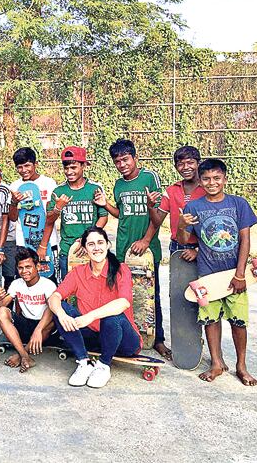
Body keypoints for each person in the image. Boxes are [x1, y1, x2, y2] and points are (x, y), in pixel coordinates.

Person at [177, 158, 257, 386]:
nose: (212, 183)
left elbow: (245, 240)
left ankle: (241, 366)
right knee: (210, 319)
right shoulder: (194, 207)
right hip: (207, 275)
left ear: (225, 179)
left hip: (234, 275)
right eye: (206, 179)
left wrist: (240, 274)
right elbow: (183, 240)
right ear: (200, 181)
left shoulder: (238, 204)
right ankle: (216, 363)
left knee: (238, 321)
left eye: (216, 178)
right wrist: (182, 225)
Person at [93, 138, 170, 359]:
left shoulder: (149, 177)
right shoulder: (118, 185)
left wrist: (146, 240)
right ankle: (131, 336)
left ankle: (158, 339)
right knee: (124, 295)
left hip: (147, 250)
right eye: (117, 161)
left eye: (125, 159)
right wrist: (105, 205)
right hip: (123, 248)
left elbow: (158, 215)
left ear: (135, 157)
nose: (122, 165)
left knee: (151, 295)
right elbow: (122, 214)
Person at [48, 227, 142, 388]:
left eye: (100, 243)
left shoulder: (121, 270)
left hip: (123, 341)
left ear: (108, 245)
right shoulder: (78, 273)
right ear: (85, 249)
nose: (96, 248)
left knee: (112, 315)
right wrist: (62, 314)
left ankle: (103, 365)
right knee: (60, 308)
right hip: (92, 338)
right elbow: (54, 297)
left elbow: (124, 302)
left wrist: (90, 316)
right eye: (91, 244)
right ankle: (84, 362)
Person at [41, 146, 108, 281]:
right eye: (66, 168)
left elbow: (103, 217)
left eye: (73, 167)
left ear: (83, 166)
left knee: (95, 288)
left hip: (92, 250)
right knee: (69, 289)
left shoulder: (94, 188)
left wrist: (87, 238)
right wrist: (58, 207)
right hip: (67, 251)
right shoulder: (59, 191)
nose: (69, 172)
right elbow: (49, 220)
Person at [0, 248, 58, 373]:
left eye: (28, 267)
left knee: (53, 320)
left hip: (44, 329)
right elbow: (0, 306)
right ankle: (25, 356)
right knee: (1, 312)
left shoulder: (48, 285)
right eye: (20, 268)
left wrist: (38, 330)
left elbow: (51, 310)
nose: (24, 271)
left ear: (38, 267)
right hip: (26, 325)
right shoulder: (16, 284)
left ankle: (20, 355)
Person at [151, 146, 205, 262]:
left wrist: (198, 250)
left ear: (199, 164)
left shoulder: (207, 188)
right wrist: (150, 207)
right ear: (176, 167)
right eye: (180, 164)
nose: (185, 167)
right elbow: (157, 222)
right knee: (178, 274)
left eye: (190, 163)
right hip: (178, 246)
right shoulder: (171, 191)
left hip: (204, 246)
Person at [8, 147, 58, 271]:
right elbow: (13, 218)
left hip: (49, 242)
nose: (24, 170)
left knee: (50, 276)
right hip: (23, 243)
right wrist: (14, 202)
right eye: (19, 167)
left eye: (27, 165)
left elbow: (52, 216)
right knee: (25, 276)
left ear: (36, 164)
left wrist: (43, 245)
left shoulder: (49, 183)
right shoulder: (14, 186)